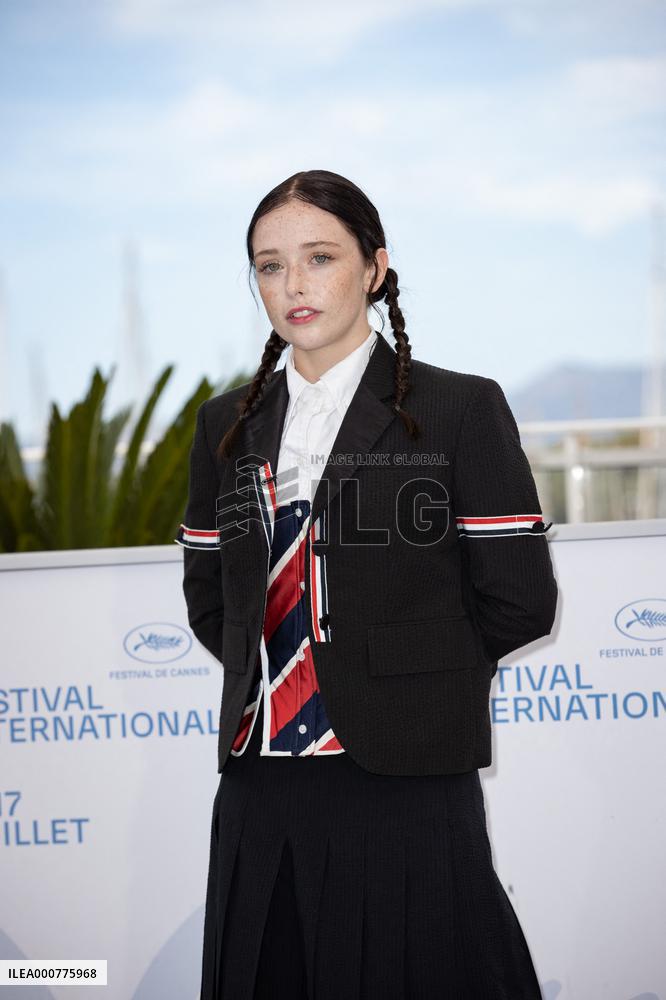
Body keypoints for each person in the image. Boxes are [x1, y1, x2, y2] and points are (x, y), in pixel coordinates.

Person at [176, 169, 558, 1000]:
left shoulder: (460, 408)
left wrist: (401, 683)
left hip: (406, 780)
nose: (294, 284)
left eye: (320, 257)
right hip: (260, 785)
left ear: (376, 268)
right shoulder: (223, 425)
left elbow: (521, 601)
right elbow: (213, 600)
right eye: (270, 265)